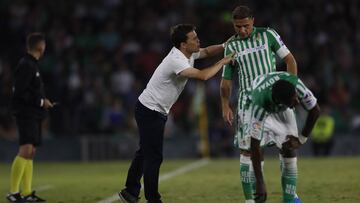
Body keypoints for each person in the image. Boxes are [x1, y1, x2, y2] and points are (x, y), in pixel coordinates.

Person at [118, 24, 235, 203]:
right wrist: (222, 61)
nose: (198, 41)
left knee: (145, 152)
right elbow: (203, 76)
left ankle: (130, 191)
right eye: (194, 39)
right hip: (150, 110)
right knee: (153, 157)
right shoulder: (177, 60)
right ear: (183, 44)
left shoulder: (189, 53)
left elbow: (206, 52)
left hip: (153, 109)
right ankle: (152, 199)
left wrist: (224, 46)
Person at [219, 5, 297, 203]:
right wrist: (225, 104)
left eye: (245, 25)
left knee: (287, 147)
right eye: (238, 27)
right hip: (248, 103)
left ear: (252, 20)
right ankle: (250, 200)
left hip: (274, 99)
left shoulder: (268, 35)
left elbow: (290, 60)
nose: (242, 30)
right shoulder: (231, 46)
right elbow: (226, 81)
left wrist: (291, 88)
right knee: (250, 150)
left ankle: (290, 197)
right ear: (233, 25)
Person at [244, 72, 320, 203]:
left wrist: (301, 139)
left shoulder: (296, 86)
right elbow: (254, 146)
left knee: (289, 147)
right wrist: (260, 182)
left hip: (281, 105)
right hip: (257, 104)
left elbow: (315, 110)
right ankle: (255, 197)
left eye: (296, 97)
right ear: (280, 102)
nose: (297, 101)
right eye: (293, 100)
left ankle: (289, 200)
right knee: (259, 150)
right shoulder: (259, 106)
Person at [7, 33, 53, 202]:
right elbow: (19, 92)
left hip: (32, 114)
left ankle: (26, 193)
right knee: (25, 150)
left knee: (31, 152)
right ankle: (13, 192)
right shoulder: (26, 65)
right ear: (41, 47)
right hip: (26, 114)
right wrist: (41, 101)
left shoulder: (31, 64)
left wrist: (42, 102)